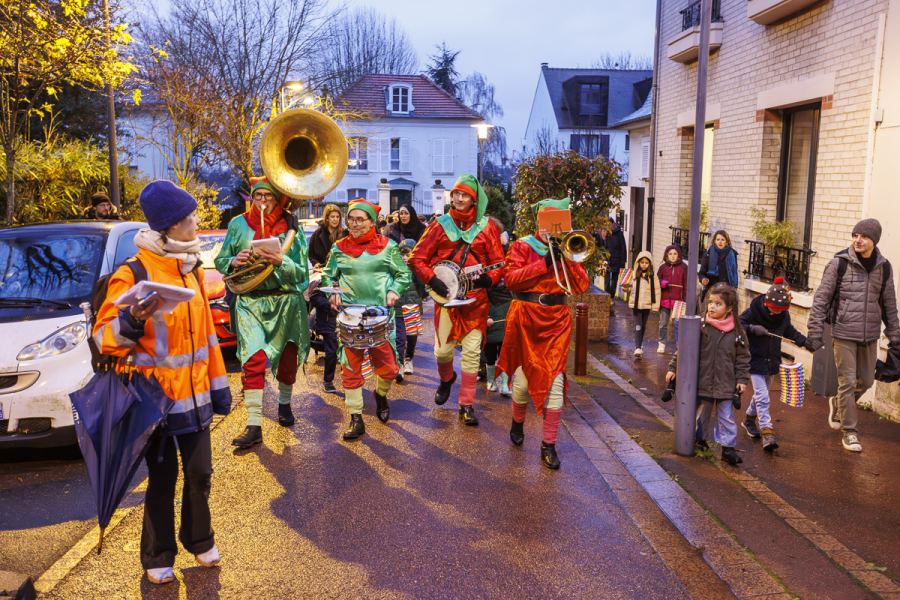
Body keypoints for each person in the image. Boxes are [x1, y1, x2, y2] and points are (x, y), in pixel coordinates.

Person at [93, 180, 231, 584]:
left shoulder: (192, 268)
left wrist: (220, 389)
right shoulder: (132, 272)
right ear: (170, 227)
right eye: (191, 218)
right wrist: (132, 320)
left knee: (201, 473)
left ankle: (200, 539)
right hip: (153, 398)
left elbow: (207, 338)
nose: (197, 222)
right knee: (163, 478)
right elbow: (104, 340)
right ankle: (157, 555)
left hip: (195, 395)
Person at [214, 176, 310, 449]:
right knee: (252, 362)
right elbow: (221, 260)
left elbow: (302, 273)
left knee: (288, 359)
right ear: (252, 198)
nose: (263, 202)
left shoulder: (292, 228)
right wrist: (232, 260)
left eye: (268, 196)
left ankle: (284, 404)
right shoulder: (237, 224)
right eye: (258, 197)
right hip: (250, 302)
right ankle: (253, 424)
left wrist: (283, 261)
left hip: (285, 303)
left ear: (277, 198)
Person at [497, 198, 590, 469]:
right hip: (526, 318)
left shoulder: (568, 247)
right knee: (524, 382)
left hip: (556, 322)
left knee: (555, 382)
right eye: (548, 222)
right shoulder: (522, 245)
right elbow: (512, 279)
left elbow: (581, 285)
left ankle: (548, 445)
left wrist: (567, 259)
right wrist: (545, 263)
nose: (553, 228)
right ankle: (517, 422)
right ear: (539, 222)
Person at [408, 175, 505, 426]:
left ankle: (467, 404)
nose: (459, 199)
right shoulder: (439, 225)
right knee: (442, 352)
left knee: (472, 354)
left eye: (465, 195)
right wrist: (432, 280)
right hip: (446, 300)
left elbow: (498, 264)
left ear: (474, 200)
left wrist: (490, 279)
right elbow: (416, 259)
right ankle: (446, 378)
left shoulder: (488, 228)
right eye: (456, 194)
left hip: (476, 301)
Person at [806, 218, 900, 452]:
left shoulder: (884, 267)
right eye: (856, 235)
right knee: (846, 382)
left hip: (870, 335)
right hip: (843, 332)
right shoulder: (839, 264)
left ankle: (837, 403)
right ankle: (850, 432)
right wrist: (815, 331)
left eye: (864, 236)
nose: (858, 240)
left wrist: (895, 336)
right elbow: (821, 300)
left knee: (867, 381)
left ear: (874, 241)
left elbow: (889, 305)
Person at [321, 198, 411, 440]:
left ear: (373, 222)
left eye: (360, 219)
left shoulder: (388, 246)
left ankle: (380, 395)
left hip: (380, 319)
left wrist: (394, 290)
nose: (354, 223)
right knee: (350, 370)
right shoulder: (339, 247)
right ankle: (356, 418)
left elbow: (404, 273)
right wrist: (333, 293)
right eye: (351, 219)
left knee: (390, 371)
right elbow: (328, 277)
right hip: (350, 319)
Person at [667, 283, 750, 465]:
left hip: (726, 383)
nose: (712, 306)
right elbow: (683, 349)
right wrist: (673, 368)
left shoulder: (737, 332)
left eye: (718, 304)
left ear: (729, 308)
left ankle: (728, 448)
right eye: (711, 302)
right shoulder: (701, 327)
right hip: (703, 381)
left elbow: (743, 358)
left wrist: (742, 379)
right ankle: (700, 440)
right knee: (701, 414)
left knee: (726, 417)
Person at [739, 277, 814, 451]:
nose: (778, 313)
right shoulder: (753, 311)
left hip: (772, 360)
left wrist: (804, 342)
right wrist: (752, 329)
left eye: (781, 310)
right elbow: (738, 324)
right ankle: (767, 430)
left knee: (761, 394)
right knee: (763, 396)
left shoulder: (783, 315)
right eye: (775, 309)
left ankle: (749, 419)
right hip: (755, 359)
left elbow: (790, 332)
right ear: (767, 303)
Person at [308, 205, 348, 394]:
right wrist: (318, 265)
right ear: (327, 218)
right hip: (321, 271)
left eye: (337, 217)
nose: (335, 220)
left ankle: (351, 381)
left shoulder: (344, 234)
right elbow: (311, 254)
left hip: (342, 276)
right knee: (332, 349)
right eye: (332, 216)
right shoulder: (318, 234)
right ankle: (328, 381)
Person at [396, 238, 426, 377]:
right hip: (398, 308)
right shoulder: (395, 268)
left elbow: (424, 287)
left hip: (412, 307)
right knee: (400, 338)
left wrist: (416, 267)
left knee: (412, 338)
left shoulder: (418, 268)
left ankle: (408, 359)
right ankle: (399, 364)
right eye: (403, 254)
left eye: (408, 255)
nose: (405, 258)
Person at [621, 251, 661, 358]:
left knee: (643, 326)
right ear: (638, 262)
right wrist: (625, 287)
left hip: (647, 305)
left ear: (650, 264)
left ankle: (640, 345)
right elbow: (627, 288)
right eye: (642, 262)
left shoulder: (652, 276)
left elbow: (657, 290)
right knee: (638, 325)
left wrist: (656, 306)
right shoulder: (634, 274)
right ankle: (637, 347)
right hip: (636, 304)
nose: (644, 264)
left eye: (646, 263)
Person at [658, 244, 687, 353]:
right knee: (663, 323)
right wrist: (662, 283)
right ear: (666, 255)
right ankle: (661, 343)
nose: (673, 256)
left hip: (678, 301)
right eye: (670, 254)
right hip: (664, 299)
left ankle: (678, 346)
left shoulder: (684, 267)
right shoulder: (663, 267)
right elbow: (657, 280)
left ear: (679, 255)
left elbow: (686, 284)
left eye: (675, 254)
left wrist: (685, 299)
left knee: (678, 324)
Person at [603, 221, 627, 296]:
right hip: (606, 260)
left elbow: (623, 247)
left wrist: (622, 262)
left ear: (613, 224)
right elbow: (602, 246)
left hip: (616, 259)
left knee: (614, 280)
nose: (609, 226)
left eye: (610, 224)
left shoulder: (619, 233)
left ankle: (611, 296)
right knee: (606, 280)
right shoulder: (605, 233)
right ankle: (606, 296)